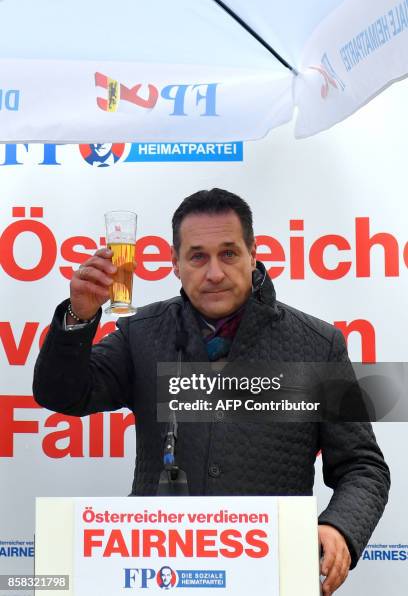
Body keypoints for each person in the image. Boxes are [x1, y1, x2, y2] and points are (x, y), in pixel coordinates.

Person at [33, 188, 390, 596]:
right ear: (175, 264)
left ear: (253, 254)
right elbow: (62, 394)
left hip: (269, 577)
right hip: (155, 575)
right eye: (198, 256)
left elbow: (363, 468)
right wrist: (79, 316)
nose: (215, 272)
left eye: (229, 253)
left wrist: (339, 527)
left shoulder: (316, 345)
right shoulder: (141, 333)